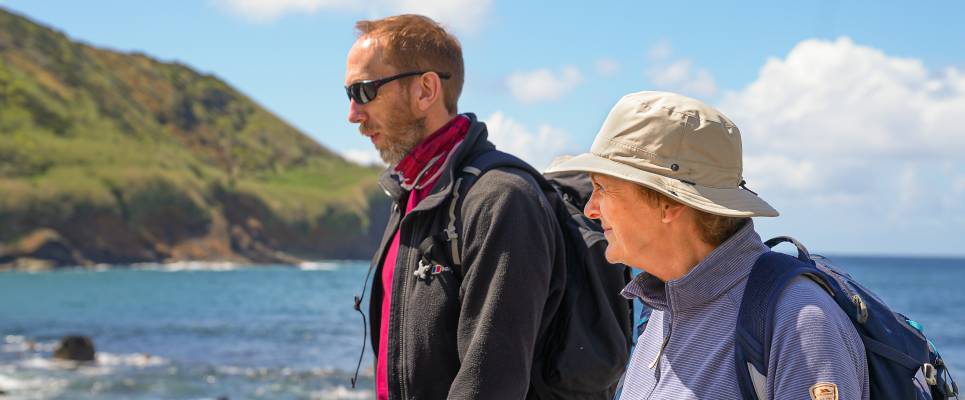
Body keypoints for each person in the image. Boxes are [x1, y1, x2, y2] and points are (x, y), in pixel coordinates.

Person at [546, 91, 870, 399]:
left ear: (669, 202)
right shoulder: (661, 307)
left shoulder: (799, 320)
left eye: (603, 188)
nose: (590, 208)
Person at [344, 14, 567, 399]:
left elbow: (490, 385)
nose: (353, 114)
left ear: (426, 90)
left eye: (364, 91)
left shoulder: (501, 199)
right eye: (348, 94)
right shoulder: (412, 194)